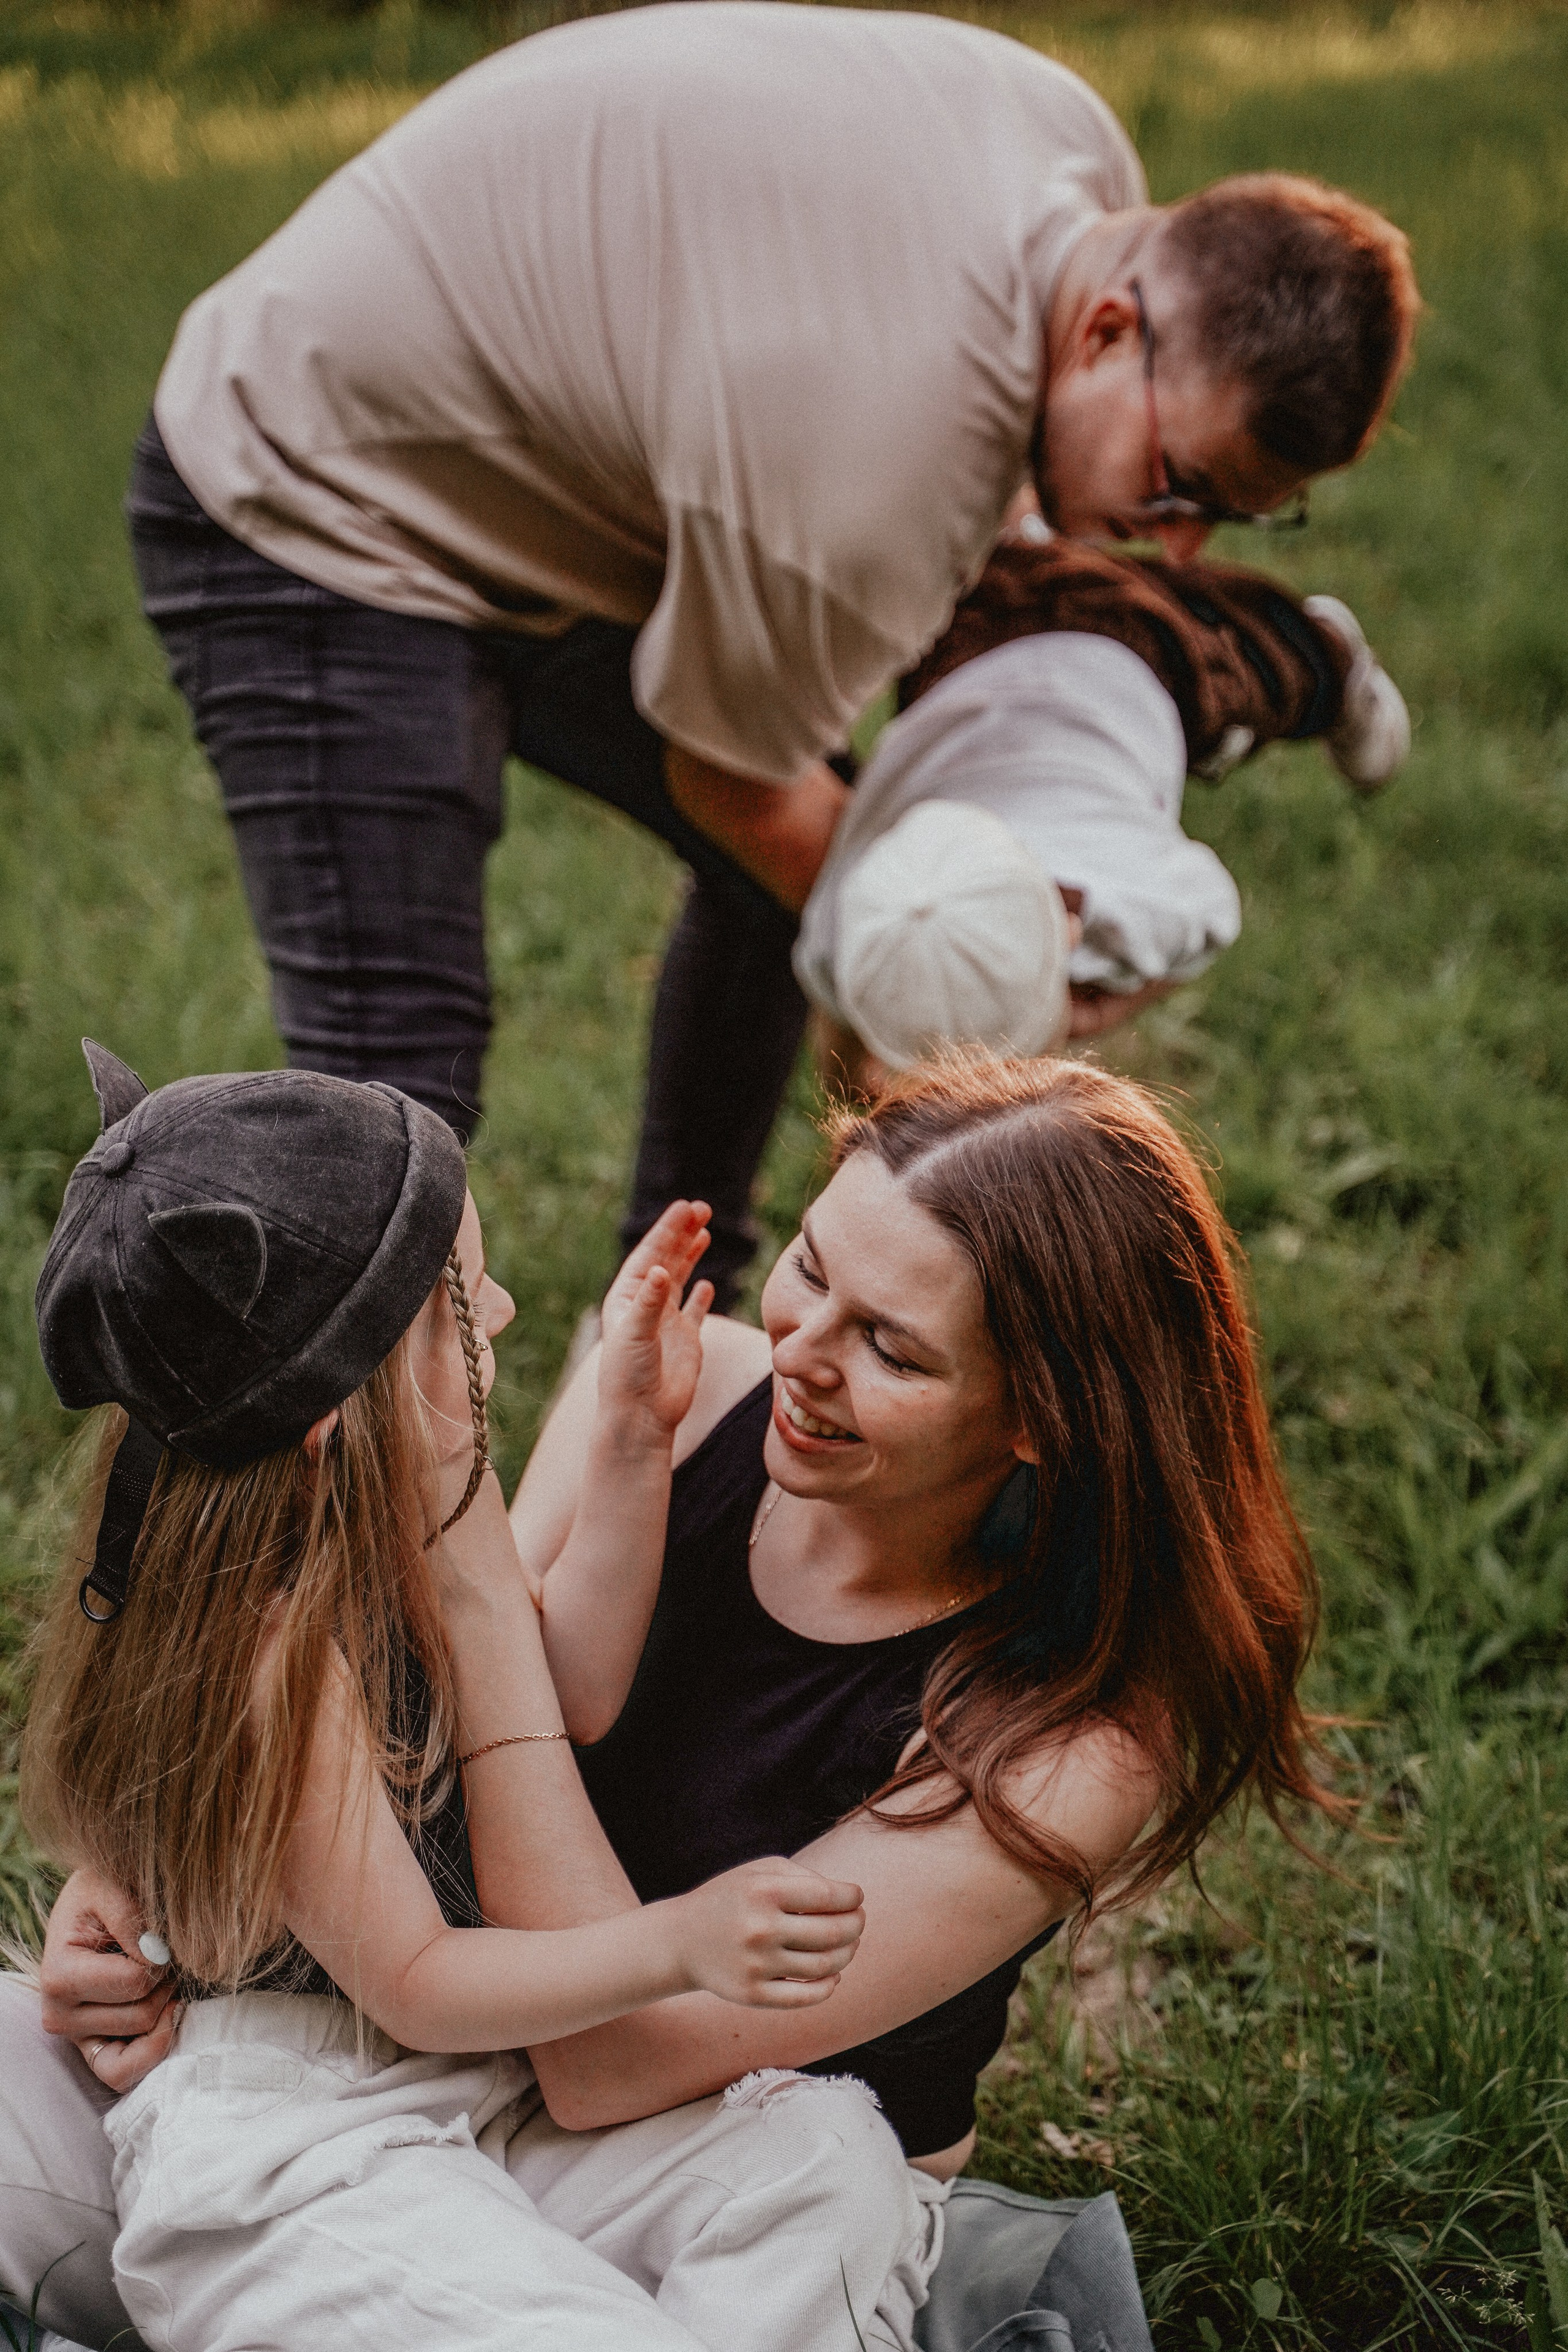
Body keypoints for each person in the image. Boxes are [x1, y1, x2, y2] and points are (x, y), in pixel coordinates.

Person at [19, 1054, 1348, 2346]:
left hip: (665, 2145)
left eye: (891, 1349)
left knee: (823, 2157)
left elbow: (597, 2041)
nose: (800, 1353)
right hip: (382, 2061)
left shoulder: (1068, 1739)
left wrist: (476, 1582)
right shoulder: (695, 1382)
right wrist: (153, 1890)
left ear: (1043, 1416)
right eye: (810, 1269)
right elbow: (416, 1724)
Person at [127, 0, 1419, 1308]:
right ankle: (228, 1404)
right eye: (1178, 483)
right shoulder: (873, 476)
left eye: (1238, 518)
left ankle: (668, 1324)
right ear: (1105, 333)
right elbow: (736, 782)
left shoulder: (1076, 163)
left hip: (524, 446)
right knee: (394, 1097)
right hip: (309, 482)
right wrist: (983, 975)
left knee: (776, 883)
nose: (1179, 547)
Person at [7, 1044, 932, 2352]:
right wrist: (677, 1945)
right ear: (341, 1415)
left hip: (482, 2107)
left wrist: (632, 1436)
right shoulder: (272, 1658)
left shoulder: (404, 1520)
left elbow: (570, 1691)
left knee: (827, 2154)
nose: (497, 1311)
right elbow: (422, 1982)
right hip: (299, 2148)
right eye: (458, 1305)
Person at [795, 535, 1410, 1078]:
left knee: (1255, 666)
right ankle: (1033, 535)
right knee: (1024, 557)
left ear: (1070, 934)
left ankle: (1335, 665)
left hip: (1137, 656)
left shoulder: (1130, 905)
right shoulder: (845, 917)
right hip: (967, 646)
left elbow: (1215, 916)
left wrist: (1106, 1008)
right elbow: (840, 1039)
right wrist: (853, 1099)